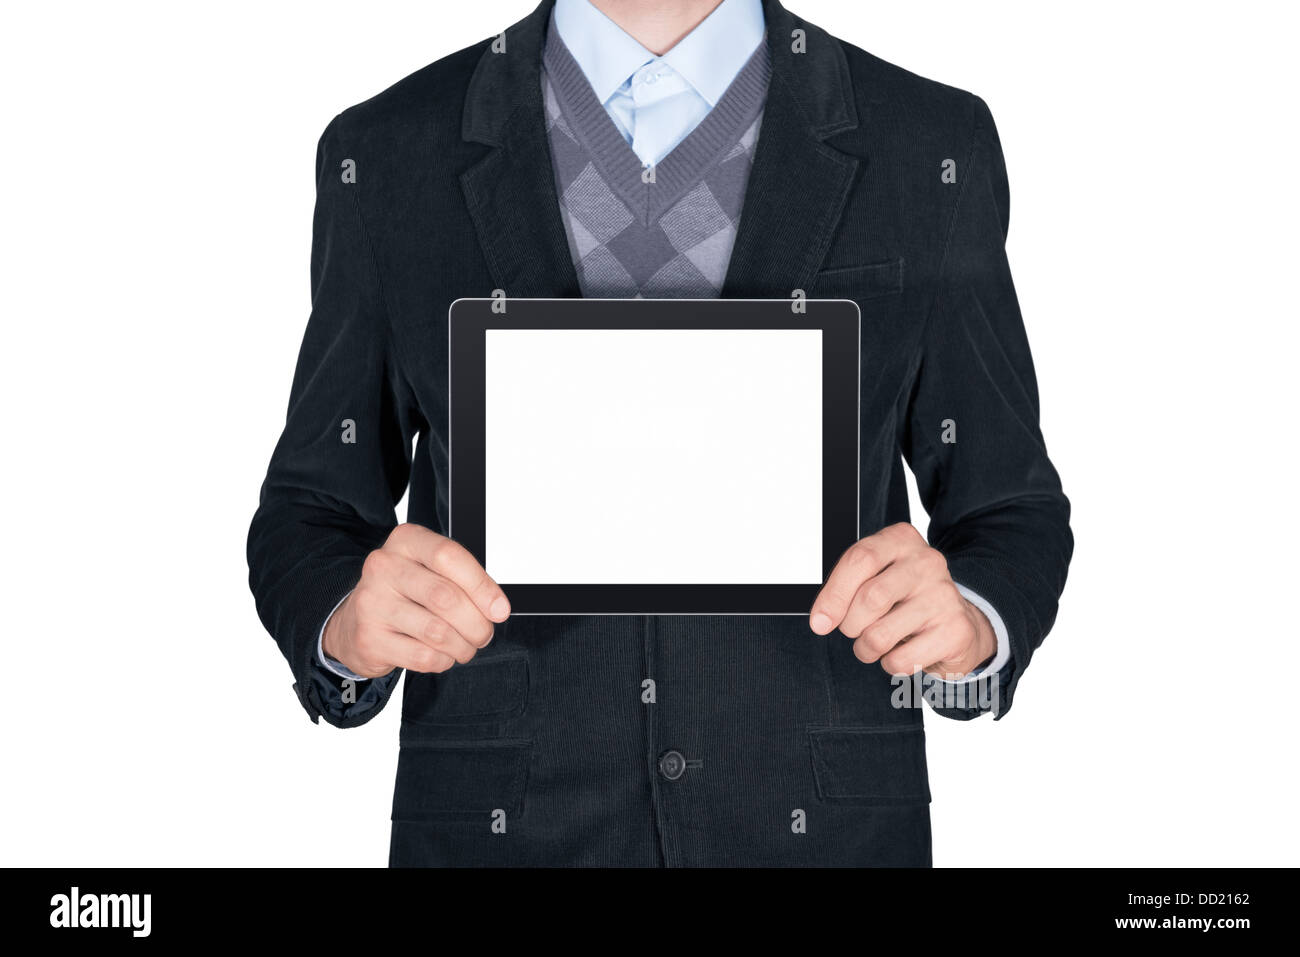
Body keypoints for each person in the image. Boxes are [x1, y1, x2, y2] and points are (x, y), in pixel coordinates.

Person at [247, 0, 1072, 866]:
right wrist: (346, 622)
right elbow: (310, 508)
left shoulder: (929, 143)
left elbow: (1010, 506)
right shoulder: (384, 152)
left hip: (827, 833)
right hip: (501, 833)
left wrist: (972, 624)